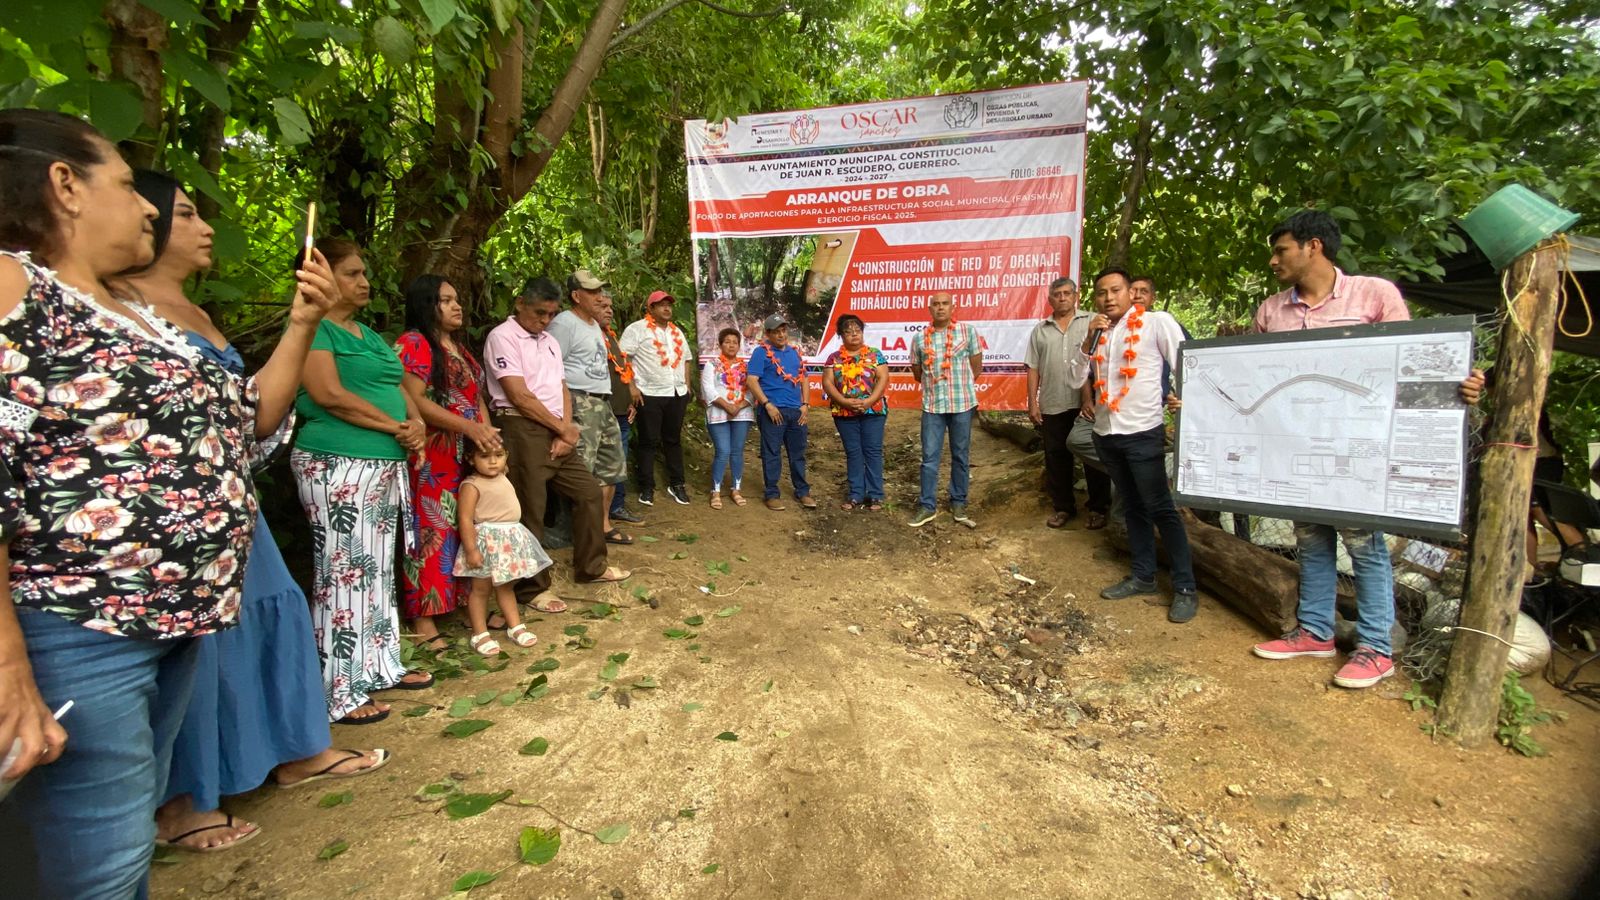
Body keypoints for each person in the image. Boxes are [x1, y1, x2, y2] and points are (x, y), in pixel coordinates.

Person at [0, 109, 333, 898]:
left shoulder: (136, 313)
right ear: (64, 184)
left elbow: (248, 423)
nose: (149, 206)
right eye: (127, 184)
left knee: (117, 852)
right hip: (79, 630)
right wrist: (10, 667)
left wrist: (301, 323)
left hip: (174, 626)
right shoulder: (17, 287)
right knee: (100, 868)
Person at [121, 170, 387, 853]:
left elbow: (257, 413)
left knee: (274, 607)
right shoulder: (112, 308)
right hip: (167, 520)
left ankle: (296, 748)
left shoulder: (193, 310)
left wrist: (302, 320)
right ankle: (187, 799)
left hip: (232, 500)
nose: (204, 226)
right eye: (184, 215)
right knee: (199, 648)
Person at [1248, 210, 1484, 686]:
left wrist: (1460, 385)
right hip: (1295, 448)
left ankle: (1376, 647)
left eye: (1281, 250)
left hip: (1359, 449)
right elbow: (1250, 373)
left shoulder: (1374, 294)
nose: (1274, 260)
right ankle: (1315, 632)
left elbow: (1413, 361)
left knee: (1364, 544)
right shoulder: (1272, 310)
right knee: (1310, 538)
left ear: (1313, 246)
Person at [292, 237, 434, 725]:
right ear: (320, 275)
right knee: (342, 573)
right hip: (337, 463)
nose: (363, 281)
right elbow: (328, 394)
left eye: (363, 272)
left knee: (375, 572)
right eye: (351, 273)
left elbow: (397, 387)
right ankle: (338, 688)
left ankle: (377, 665)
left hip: (381, 465)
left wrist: (414, 425)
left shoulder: (367, 335)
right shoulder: (316, 330)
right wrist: (395, 426)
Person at [484, 278, 629, 612]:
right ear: (519, 303)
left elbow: (561, 385)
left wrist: (565, 428)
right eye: (539, 313)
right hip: (521, 427)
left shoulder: (548, 340)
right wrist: (560, 428)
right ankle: (532, 588)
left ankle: (591, 567)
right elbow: (518, 395)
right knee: (530, 507)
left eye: (551, 314)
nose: (545, 320)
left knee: (589, 492)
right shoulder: (502, 338)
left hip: (555, 427)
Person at [1067, 267, 1199, 623]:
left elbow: (1186, 363)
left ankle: (1185, 587)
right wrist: (1087, 342)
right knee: (1132, 508)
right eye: (1101, 293)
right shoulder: (1098, 333)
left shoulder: (1156, 323)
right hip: (1107, 433)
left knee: (1160, 508)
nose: (1108, 298)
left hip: (1143, 432)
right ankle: (1144, 577)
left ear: (1130, 294)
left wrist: (1184, 399)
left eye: (1115, 291)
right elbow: (1075, 377)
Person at [394, 275, 500, 649]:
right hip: (433, 454)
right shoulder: (414, 344)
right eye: (446, 300)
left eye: (457, 299)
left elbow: (475, 397)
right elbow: (412, 399)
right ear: (427, 305)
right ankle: (423, 621)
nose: (457, 306)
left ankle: (460, 603)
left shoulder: (458, 347)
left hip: (465, 451)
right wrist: (470, 428)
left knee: (465, 526)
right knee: (430, 533)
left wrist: (488, 438)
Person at [547, 269, 632, 544]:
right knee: (581, 469)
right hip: (578, 400)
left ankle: (601, 525)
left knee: (610, 465)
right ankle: (573, 531)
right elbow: (550, 368)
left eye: (600, 291)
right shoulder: (564, 324)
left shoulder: (595, 325)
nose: (599, 297)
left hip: (602, 401)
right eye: (593, 292)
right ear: (576, 295)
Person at [1026, 277, 1107, 528]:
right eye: (1057, 294)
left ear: (1076, 296)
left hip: (1087, 403)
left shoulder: (1092, 321)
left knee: (1091, 455)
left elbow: (1097, 360)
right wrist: (1033, 402)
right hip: (1053, 401)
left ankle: (1098, 508)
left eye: (1066, 293)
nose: (1062, 298)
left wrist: (1089, 398)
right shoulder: (1041, 330)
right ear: (1050, 299)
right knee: (1056, 456)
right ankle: (1063, 508)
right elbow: (1033, 368)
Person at [455, 444, 551, 656]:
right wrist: (471, 550)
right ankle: (480, 633)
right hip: (488, 543)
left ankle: (514, 626)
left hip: (508, 543)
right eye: (484, 456)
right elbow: (465, 518)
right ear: (471, 459)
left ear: (506, 456)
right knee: (480, 590)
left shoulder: (502, 475)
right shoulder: (472, 485)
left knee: (506, 587)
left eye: (498, 456)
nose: (493, 461)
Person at [908, 292, 983, 528]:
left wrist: (959, 384)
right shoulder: (920, 338)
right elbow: (918, 372)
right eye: (936, 304)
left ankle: (958, 501)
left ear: (953, 307)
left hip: (962, 404)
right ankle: (927, 506)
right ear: (929, 309)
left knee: (961, 455)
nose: (940, 308)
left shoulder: (968, 331)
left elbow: (976, 367)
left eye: (945, 303)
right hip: (933, 406)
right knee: (929, 458)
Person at [620, 289, 695, 506]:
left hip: (676, 393)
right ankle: (646, 487)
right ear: (650, 308)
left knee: (673, 440)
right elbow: (624, 359)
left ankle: (677, 484)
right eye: (661, 305)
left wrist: (687, 386)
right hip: (650, 393)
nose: (667, 308)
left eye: (669, 304)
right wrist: (632, 387)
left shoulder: (677, 332)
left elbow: (687, 360)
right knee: (648, 441)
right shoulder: (637, 330)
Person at [745, 313, 815, 510]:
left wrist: (806, 405)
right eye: (776, 332)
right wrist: (767, 404)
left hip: (796, 411)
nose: (781, 335)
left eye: (783, 330)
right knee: (772, 452)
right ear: (768, 334)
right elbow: (752, 380)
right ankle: (772, 493)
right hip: (772, 411)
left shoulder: (794, 353)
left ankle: (802, 491)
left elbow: (805, 379)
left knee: (798, 453)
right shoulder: (761, 353)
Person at [821, 314, 890, 510]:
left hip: (873, 411)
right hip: (844, 413)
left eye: (857, 331)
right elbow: (827, 383)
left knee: (872, 451)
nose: (854, 335)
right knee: (853, 452)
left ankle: (875, 494)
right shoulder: (833, 358)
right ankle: (856, 494)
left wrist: (868, 401)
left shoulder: (875, 355)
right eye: (848, 332)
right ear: (841, 335)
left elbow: (883, 379)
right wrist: (844, 401)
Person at [601, 296, 645, 525]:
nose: (609, 311)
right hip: (601, 412)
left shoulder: (611, 336)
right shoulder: (588, 336)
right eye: (603, 307)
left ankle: (616, 506)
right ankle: (600, 513)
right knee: (605, 464)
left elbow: (623, 371)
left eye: (610, 306)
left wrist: (631, 395)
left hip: (621, 411)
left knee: (620, 461)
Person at [703, 327, 755, 508]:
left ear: (739, 346)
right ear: (720, 344)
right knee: (723, 451)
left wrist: (738, 407)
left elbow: (751, 391)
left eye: (735, 342)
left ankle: (736, 489)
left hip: (742, 414)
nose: (731, 345)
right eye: (727, 342)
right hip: (718, 413)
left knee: (737, 452)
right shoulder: (712, 365)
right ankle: (715, 491)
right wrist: (727, 406)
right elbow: (708, 389)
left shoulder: (746, 367)